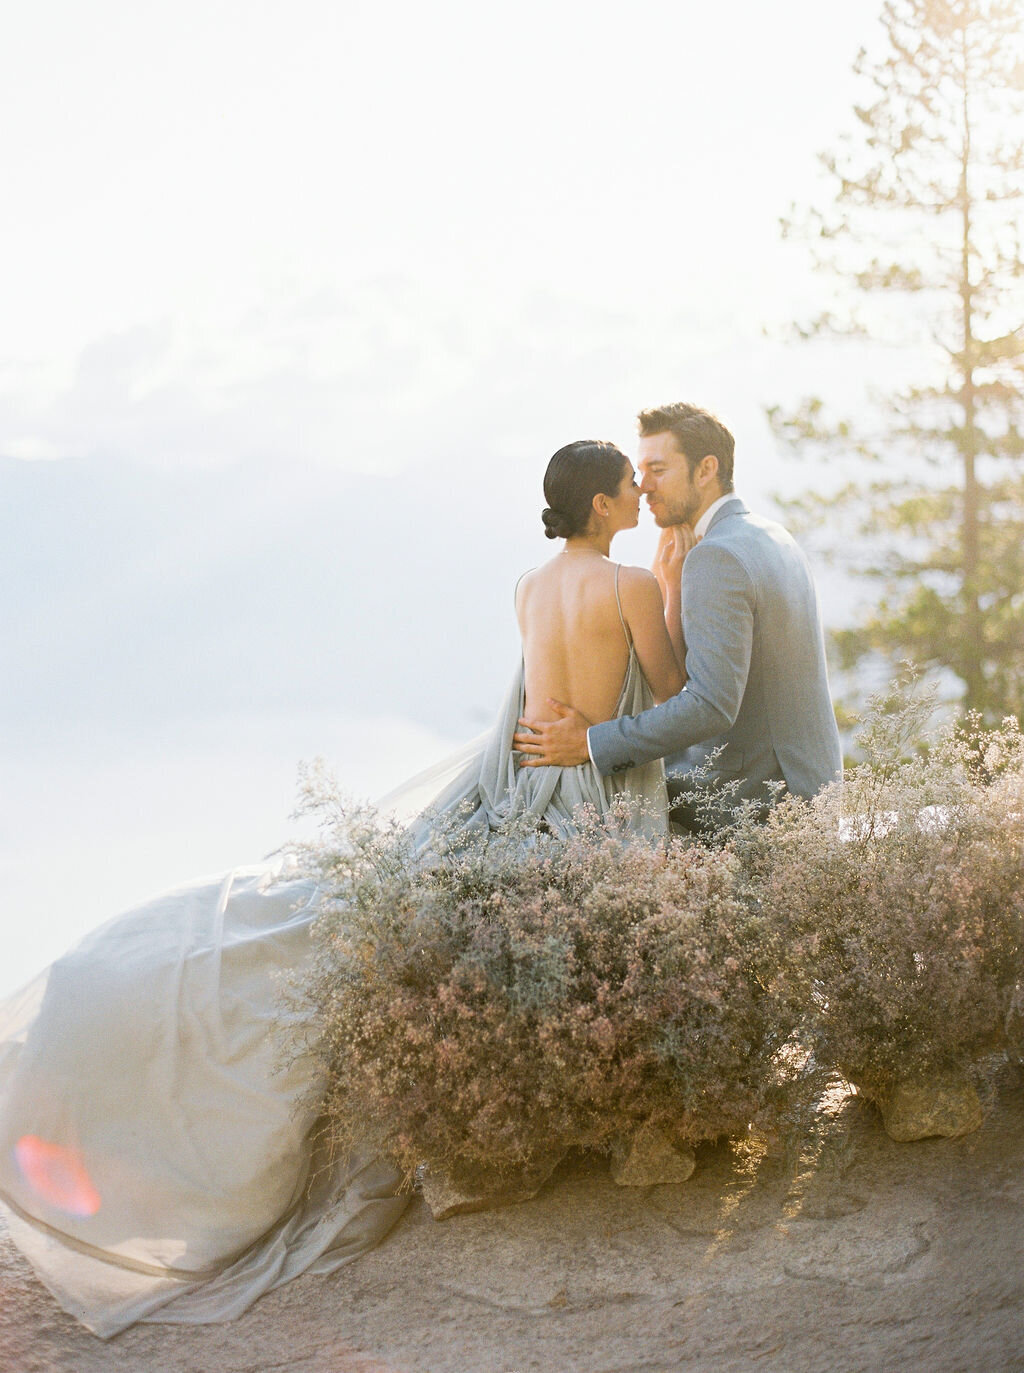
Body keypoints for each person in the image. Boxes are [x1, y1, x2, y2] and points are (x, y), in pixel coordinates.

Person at [0, 439, 681, 1338]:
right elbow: (672, 694)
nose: (640, 492)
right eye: (630, 484)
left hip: (520, 777)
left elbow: (528, 706)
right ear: (601, 504)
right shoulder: (628, 584)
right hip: (586, 785)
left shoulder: (528, 583)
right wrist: (670, 578)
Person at [514, 403, 843, 833]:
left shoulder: (716, 557)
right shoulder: (769, 535)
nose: (644, 487)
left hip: (755, 805)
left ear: (706, 469)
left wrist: (591, 743)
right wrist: (674, 584)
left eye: (657, 469)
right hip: (808, 791)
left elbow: (709, 704)